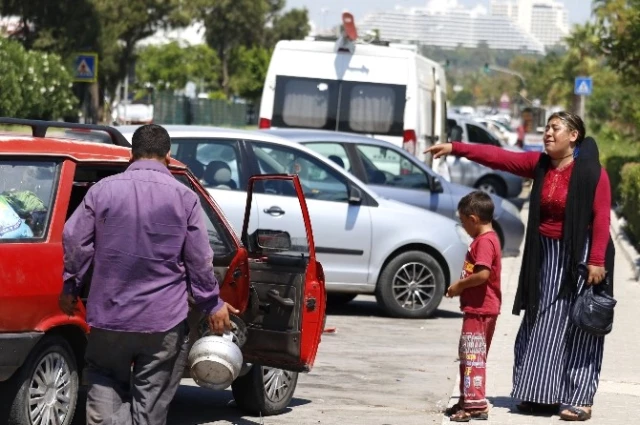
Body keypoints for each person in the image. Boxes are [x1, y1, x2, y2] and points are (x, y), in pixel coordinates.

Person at [426, 111, 614, 422]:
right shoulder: (540, 166)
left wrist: (596, 260)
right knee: (540, 321)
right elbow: (499, 157)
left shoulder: (593, 173)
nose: (548, 134)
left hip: (580, 260)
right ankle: (538, 395)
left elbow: (603, 218)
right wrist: (456, 147)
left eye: (555, 129)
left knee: (581, 326)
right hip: (543, 257)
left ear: (573, 136)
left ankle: (579, 397)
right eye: (547, 128)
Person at [59, 124, 239, 425]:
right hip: (163, 322)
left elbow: (75, 240)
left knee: (103, 380)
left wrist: (71, 286)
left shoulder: (102, 191)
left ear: (132, 153)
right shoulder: (185, 198)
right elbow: (199, 258)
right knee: (150, 405)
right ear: (168, 155)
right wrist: (211, 303)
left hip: (109, 317)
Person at [445, 191, 502, 422]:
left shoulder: (485, 242)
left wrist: (459, 285)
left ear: (473, 219)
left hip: (480, 310)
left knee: (473, 357)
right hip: (478, 309)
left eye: (463, 221)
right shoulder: (487, 239)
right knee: (469, 355)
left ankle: (475, 405)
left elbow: (482, 275)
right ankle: (467, 399)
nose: (463, 226)